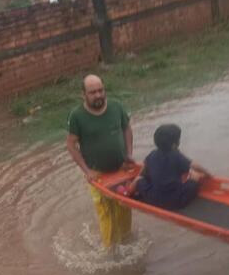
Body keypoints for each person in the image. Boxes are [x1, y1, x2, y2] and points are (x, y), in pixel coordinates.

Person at [66, 74, 134, 248]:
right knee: (107, 219)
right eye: (92, 92)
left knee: (125, 212)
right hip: (97, 176)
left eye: (100, 91)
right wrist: (87, 171)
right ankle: (109, 256)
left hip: (120, 170)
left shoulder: (116, 106)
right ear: (84, 94)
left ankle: (127, 246)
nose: (98, 95)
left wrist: (129, 155)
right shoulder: (77, 116)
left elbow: (126, 129)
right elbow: (71, 145)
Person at [129, 124, 211, 210]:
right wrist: (208, 173)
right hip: (176, 201)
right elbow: (194, 165)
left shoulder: (152, 154)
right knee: (195, 176)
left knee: (138, 180)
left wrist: (139, 181)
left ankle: (128, 191)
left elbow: (143, 172)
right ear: (174, 144)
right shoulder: (176, 156)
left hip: (153, 198)